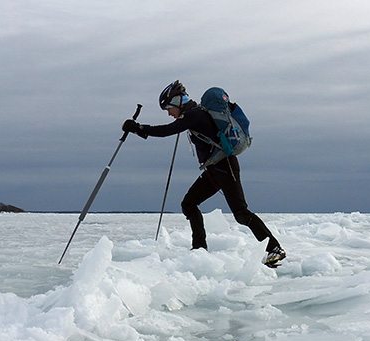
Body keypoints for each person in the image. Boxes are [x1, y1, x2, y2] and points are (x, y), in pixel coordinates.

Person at [122, 80, 286, 268]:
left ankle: (275, 248)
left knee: (241, 213)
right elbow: (174, 127)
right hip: (214, 170)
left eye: (168, 108)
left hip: (225, 166)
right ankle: (199, 249)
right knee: (189, 203)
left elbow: (168, 130)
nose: (169, 113)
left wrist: (138, 128)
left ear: (177, 101)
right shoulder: (192, 115)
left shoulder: (194, 115)